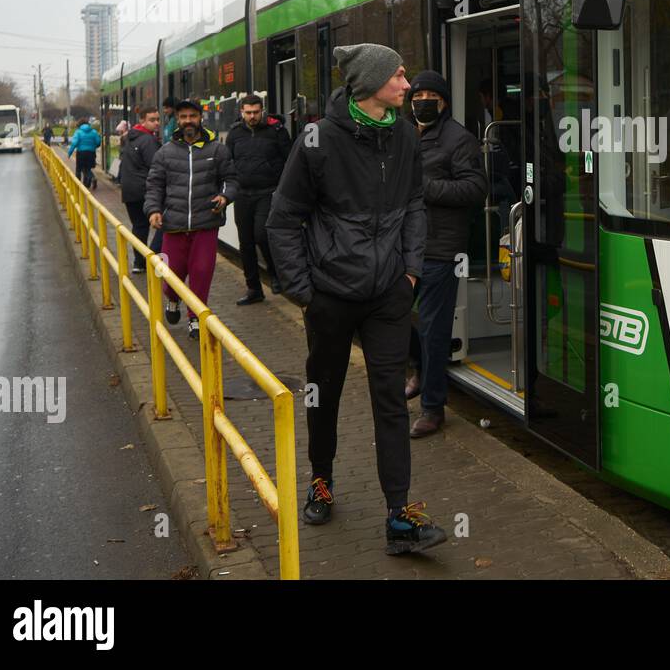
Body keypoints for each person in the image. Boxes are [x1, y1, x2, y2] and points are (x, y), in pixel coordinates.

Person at [266, 43, 445, 556]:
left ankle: (399, 517)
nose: (408, 86)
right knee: (324, 395)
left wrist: (410, 269)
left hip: (389, 294)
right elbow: (283, 220)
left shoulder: (405, 133)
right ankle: (321, 482)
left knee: (390, 401)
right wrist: (304, 291)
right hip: (331, 297)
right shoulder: (318, 139)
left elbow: (414, 202)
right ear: (370, 84)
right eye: (400, 76)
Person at [404, 70, 488, 439]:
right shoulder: (405, 134)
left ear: (443, 101)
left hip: (442, 248)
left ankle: (433, 408)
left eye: (428, 96)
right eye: (416, 96)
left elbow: (475, 188)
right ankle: (420, 372)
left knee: (434, 329)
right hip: (408, 246)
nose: (421, 101)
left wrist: (425, 188)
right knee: (398, 316)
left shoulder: (459, 139)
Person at [144, 99, 238, 341]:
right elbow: (155, 185)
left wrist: (225, 196)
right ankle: (173, 299)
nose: (188, 121)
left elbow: (231, 180)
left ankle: (196, 318)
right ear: (177, 119)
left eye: (192, 116)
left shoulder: (217, 150)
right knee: (170, 273)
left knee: (202, 271)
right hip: (173, 225)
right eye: (183, 116)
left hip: (206, 223)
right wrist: (153, 210)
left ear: (200, 118)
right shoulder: (165, 152)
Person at [225, 94, 291, 304]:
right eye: (248, 113)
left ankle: (275, 274)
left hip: (268, 192)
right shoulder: (234, 134)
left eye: (256, 112)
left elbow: (289, 160)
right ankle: (254, 288)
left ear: (262, 110)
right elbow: (228, 161)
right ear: (242, 112)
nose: (252, 116)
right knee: (245, 243)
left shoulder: (277, 131)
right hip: (243, 194)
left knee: (261, 235)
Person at [119, 107, 164, 274]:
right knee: (163, 224)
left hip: (129, 190)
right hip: (145, 190)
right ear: (142, 121)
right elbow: (156, 166)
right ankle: (155, 260)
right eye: (152, 120)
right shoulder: (148, 140)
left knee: (139, 226)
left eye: (158, 119)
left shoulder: (129, 138)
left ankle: (139, 263)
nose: (157, 123)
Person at [66, 117, 102, 189]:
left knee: (79, 169)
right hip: (91, 153)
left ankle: (78, 186)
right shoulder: (94, 132)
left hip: (81, 153)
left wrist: (69, 153)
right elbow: (98, 142)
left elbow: (74, 143)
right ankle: (88, 182)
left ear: (79, 125)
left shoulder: (78, 132)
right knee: (87, 168)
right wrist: (93, 146)